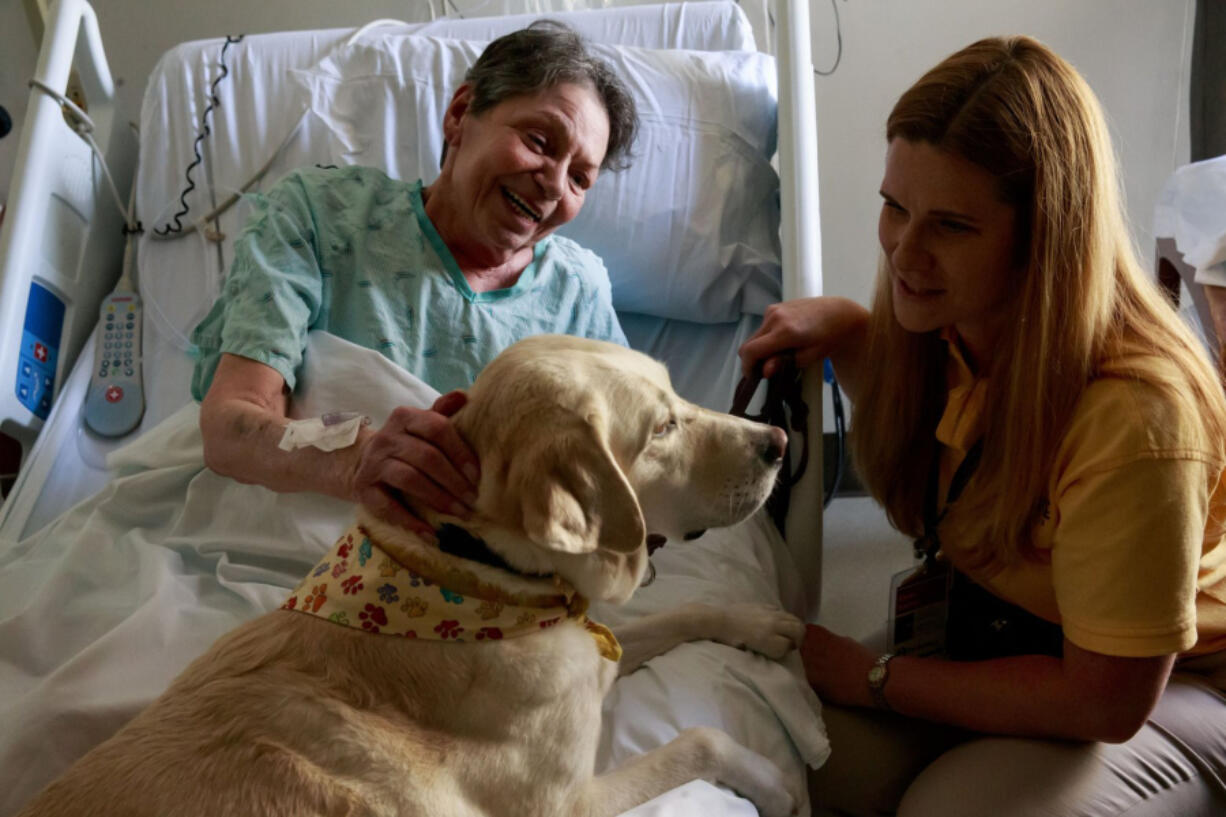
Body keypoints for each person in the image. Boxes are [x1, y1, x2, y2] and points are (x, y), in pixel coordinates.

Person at [740, 35, 1226, 816]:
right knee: (779, 754)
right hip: (1008, 633)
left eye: (952, 226)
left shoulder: (1137, 416)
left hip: (1172, 685)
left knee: (956, 810)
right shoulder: (949, 331)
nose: (906, 251)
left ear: (1044, 238)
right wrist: (846, 328)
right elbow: (939, 466)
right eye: (894, 207)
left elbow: (1104, 702)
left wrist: (875, 678)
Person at [191, 22, 637, 543]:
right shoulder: (322, 217)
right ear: (458, 115)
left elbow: (630, 462)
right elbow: (230, 429)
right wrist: (358, 459)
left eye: (581, 178)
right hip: (289, 539)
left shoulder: (577, 293)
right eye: (539, 141)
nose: (555, 185)